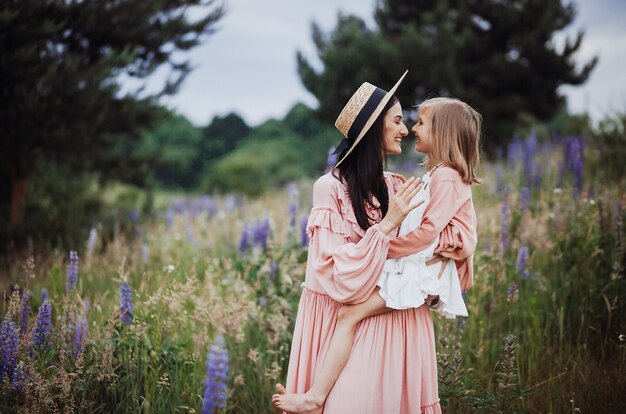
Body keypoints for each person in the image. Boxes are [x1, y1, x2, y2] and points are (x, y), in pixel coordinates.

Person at [274, 95, 481, 414]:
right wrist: (386, 231)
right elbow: (334, 274)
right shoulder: (330, 187)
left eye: (413, 121)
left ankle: (315, 396)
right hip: (355, 315)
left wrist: (422, 250)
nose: (407, 129)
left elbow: (448, 235)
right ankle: (316, 396)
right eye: (397, 120)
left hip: (400, 314)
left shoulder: (398, 185)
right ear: (372, 129)